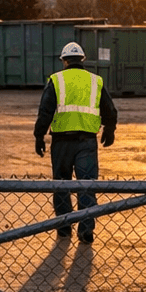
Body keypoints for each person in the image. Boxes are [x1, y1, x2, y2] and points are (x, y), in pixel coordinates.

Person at [35, 41, 117, 242]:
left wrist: (39, 136)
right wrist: (109, 129)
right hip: (87, 142)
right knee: (87, 186)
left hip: (62, 142)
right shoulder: (95, 81)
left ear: (64, 61)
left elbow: (45, 111)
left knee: (62, 184)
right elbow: (110, 109)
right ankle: (86, 229)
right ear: (82, 60)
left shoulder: (56, 80)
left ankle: (64, 228)